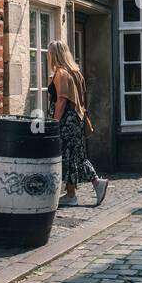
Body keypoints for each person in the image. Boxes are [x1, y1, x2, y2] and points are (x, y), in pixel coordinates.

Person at [49, 41, 109, 207]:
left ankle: (75, 193)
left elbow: (61, 100)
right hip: (77, 119)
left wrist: (54, 122)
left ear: (54, 54)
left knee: (68, 156)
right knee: (76, 156)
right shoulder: (75, 72)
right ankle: (85, 188)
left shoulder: (61, 73)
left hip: (66, 120)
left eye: (49, 53)